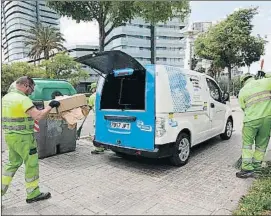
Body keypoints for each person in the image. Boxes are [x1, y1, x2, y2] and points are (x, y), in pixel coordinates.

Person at [2, 76, 60, 203]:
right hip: (24, 138)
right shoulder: (23, 99)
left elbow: (21, 113)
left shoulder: (5, 98)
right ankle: (33, 193)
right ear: (26, 85)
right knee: (31, 164)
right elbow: (38, 117)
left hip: (10, 137)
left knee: (12, 164)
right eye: (32, 88)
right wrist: (50, 106)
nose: (32, 92)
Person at [236, 72, 271, 178]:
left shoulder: (242, 91)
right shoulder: (266, 82)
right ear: (253, 77)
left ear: (243, 81)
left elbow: (243, 107)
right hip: (267, 118)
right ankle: (257, 168)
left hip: (250, 120)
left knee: (247, 144)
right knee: (261, 145)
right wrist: (266, 74)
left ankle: (246, 169)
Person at [88, 82, 105, 154]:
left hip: (97, 117)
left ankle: (98, 148)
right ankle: (104, 145)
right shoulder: (103, 94)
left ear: (94, 88)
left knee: (97, 132)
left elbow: (89, 107)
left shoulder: (92, 97)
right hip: (105, 117)